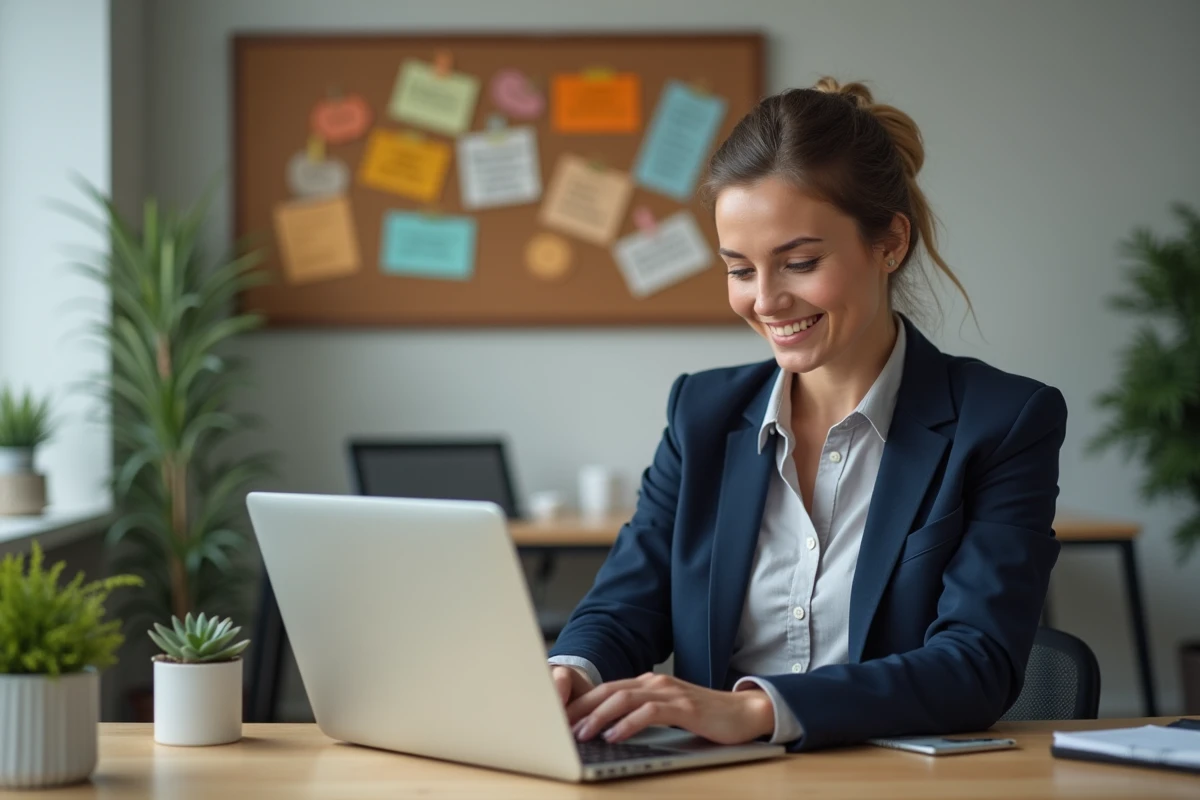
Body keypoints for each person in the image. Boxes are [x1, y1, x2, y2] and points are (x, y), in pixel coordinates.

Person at [547, 77, 1067, 752]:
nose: (765, 301)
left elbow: (976, 664)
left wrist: (760, 709)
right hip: (717, 784)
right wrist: (569, 670)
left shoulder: (1003, 422)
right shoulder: (702, 413)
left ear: (890, 244)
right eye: (739, 270)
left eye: (798, 263)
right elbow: (627, 603)